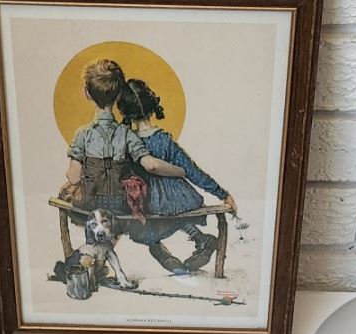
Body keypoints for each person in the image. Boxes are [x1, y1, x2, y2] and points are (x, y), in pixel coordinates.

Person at [117, 77, 236, 275]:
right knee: (169, 215)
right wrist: (222, 193)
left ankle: (162, 253)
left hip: (149, 199)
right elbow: (192, 170)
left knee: (143, 224)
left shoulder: (130, 142)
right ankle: (200, 239)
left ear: (125, 113)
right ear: (152, 106)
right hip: (177, 196)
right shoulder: (165, 140)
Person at [62, 59, 185, 217]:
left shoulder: (82, 134)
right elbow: (152, 165)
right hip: (121, 206)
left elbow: (73, 177)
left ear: (87, 93)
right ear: (119, 94)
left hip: (90, 205)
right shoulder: (126, 133)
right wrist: (181, 172)